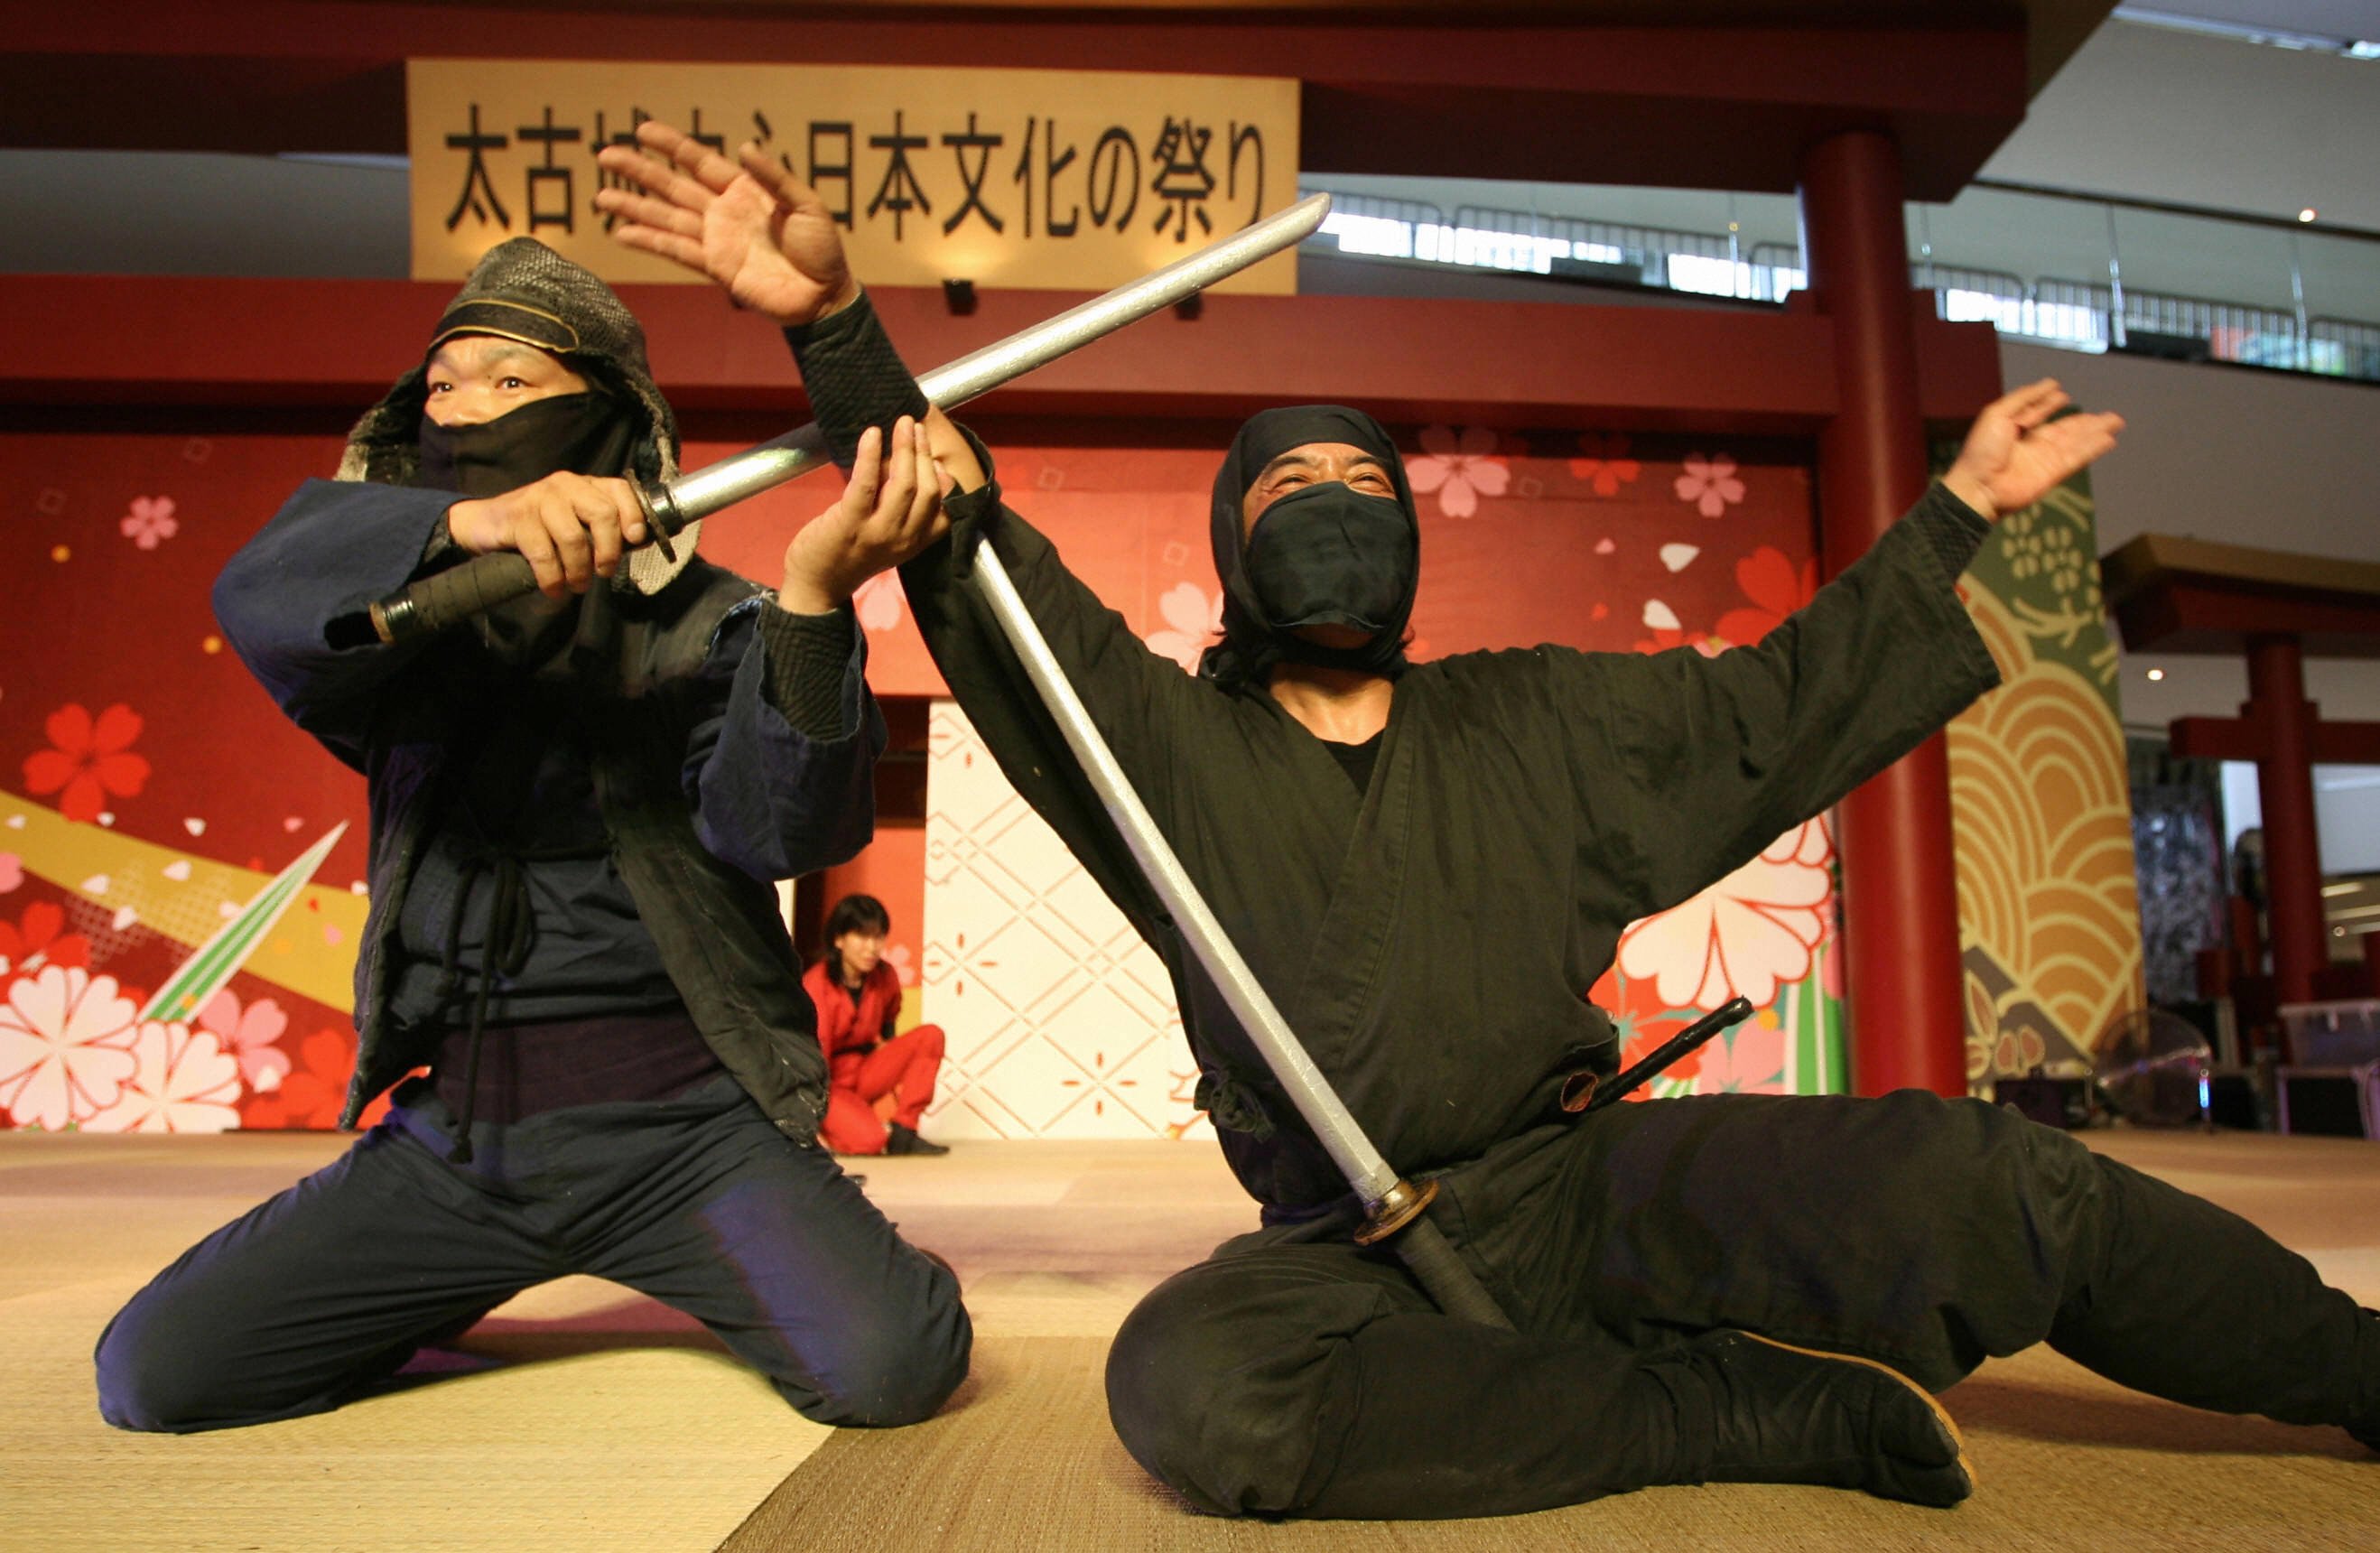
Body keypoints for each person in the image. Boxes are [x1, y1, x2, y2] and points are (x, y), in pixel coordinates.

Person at [600, 125, 2380, 1520]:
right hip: (1347, 1252)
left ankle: (2355, 1367)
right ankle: (1709, 1405)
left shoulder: (1535, 714)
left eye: (1365, 487)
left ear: (1411, 539)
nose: (1335, 511)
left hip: (1585, 1185)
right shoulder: (1159, 746)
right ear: (1236, 551)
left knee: (1996, 1181)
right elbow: (972, 556)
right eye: (1289, 491)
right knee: (1190, 1382)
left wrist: (1952, 519)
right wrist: (832, 323)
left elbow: (1775, 707)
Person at [93, 238, 970, 1435]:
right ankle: (428, 1278)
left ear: (606, 426)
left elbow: (784, 831)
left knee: (892, 1369)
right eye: (445, 389)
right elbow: (264, 596)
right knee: (158, 1377)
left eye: (512, 384)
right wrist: (467, 525)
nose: (466, 408)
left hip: (691, 1140)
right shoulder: (405, 635)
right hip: (457, 1147)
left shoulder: (716, 625)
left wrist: (812, 605)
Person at [804, 893, 950, 1156]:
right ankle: (834, 1129)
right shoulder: (817, 984)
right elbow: (814, 1055)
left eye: (878, 937)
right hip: (829, 1083)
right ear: (839, 939)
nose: (872, 947)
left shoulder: (885, 976)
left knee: (930, 1035)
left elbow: (889, 1023)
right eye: (862, 936)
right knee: (869, 1142)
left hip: (865, 1070)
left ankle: (904, 1131)